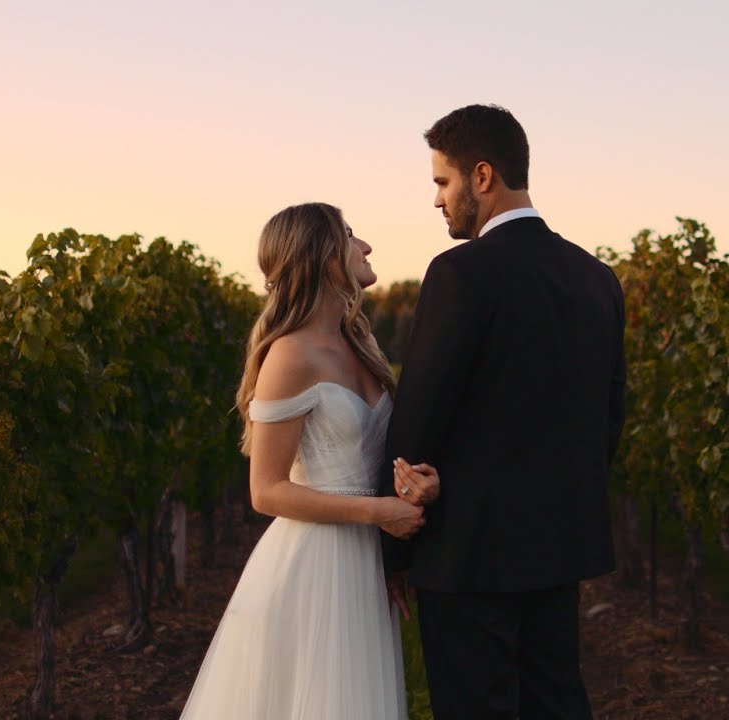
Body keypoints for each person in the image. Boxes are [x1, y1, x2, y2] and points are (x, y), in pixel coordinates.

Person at [382, 104, 627, 719]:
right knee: (555, 703)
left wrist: (394, 546)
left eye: (443, 181)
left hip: (468, 553)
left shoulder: (461, 273)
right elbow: (608, 419)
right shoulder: (597, 278)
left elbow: (421, 419)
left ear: (482, 176)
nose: (438, 200)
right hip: (559, 547)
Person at [179, 202, 438, 720]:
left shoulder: (361, 341)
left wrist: (413, 490)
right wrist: (379, 513)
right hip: (317, 564)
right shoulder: (290, 355)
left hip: (367, 564)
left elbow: (375, 459)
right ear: (321, 255)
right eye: (348, 234)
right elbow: (266, 490)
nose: (365, 246)